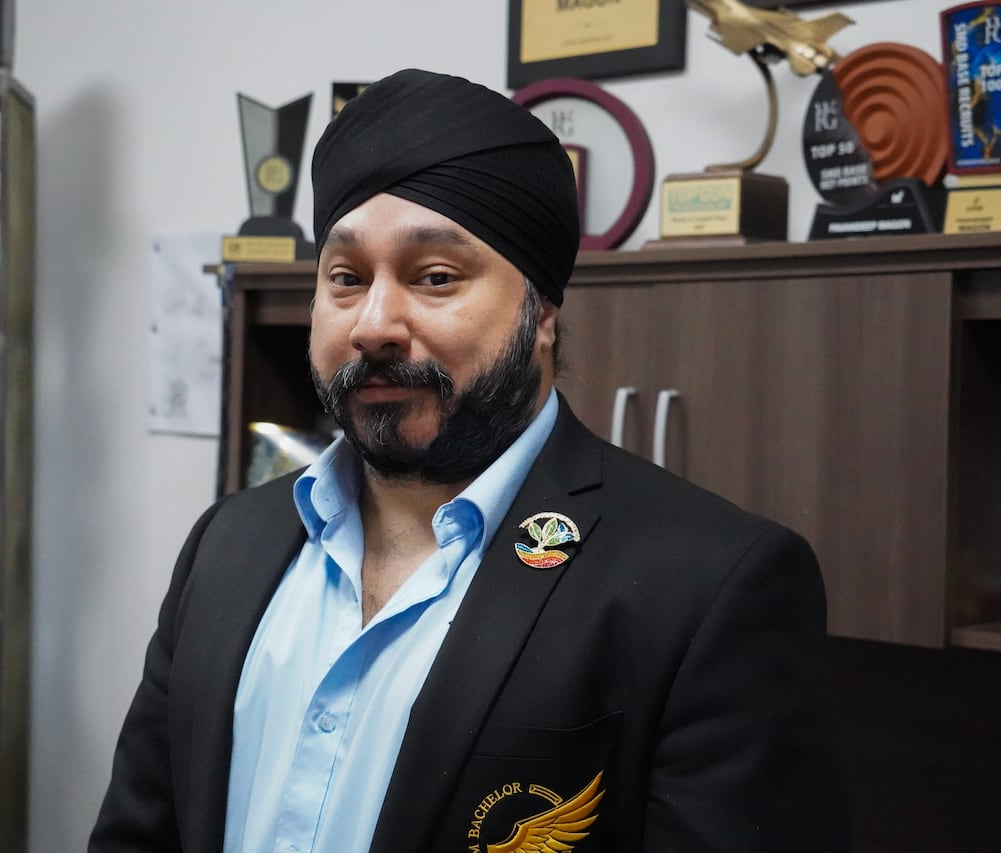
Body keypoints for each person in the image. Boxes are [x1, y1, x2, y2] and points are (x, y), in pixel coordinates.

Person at [89, 68, 850, 853]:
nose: (375, 323)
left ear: (542, 313)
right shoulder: (227, 546)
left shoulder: (710, 586)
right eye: (345, 278)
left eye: (436, 277)